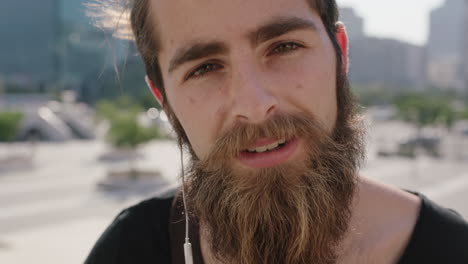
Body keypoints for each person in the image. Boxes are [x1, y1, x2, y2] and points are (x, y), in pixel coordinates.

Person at [85, 0, 468, 263]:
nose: (254, 106)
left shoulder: (454, 250)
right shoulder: (129, 249)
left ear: (340, 54)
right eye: (203, 68)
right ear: (165, 100)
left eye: (284, 46)